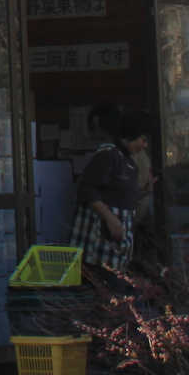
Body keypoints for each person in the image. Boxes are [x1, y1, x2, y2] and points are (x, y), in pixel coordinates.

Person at [70, 110, 153, 276]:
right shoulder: (108, 155)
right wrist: (111, 219)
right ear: (130, 136)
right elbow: (87, 189)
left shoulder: (129, 162)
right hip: (98, 249)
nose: (145, 145)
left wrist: (145, 191)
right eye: (142, 140)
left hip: (117, 251)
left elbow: (121, 197)